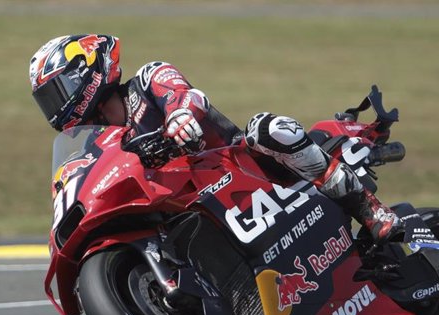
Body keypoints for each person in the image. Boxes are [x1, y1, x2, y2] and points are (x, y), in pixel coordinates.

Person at [30, 34, 397, 242]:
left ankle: (367, 208)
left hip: (241, 168)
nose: (55, 108)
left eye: (58, 92)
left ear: (87, 72)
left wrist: (178, 116)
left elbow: (189, 96)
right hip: (189, 201)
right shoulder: (102, 142)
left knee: (270, 128)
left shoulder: (147, 78)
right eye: (47, 101)